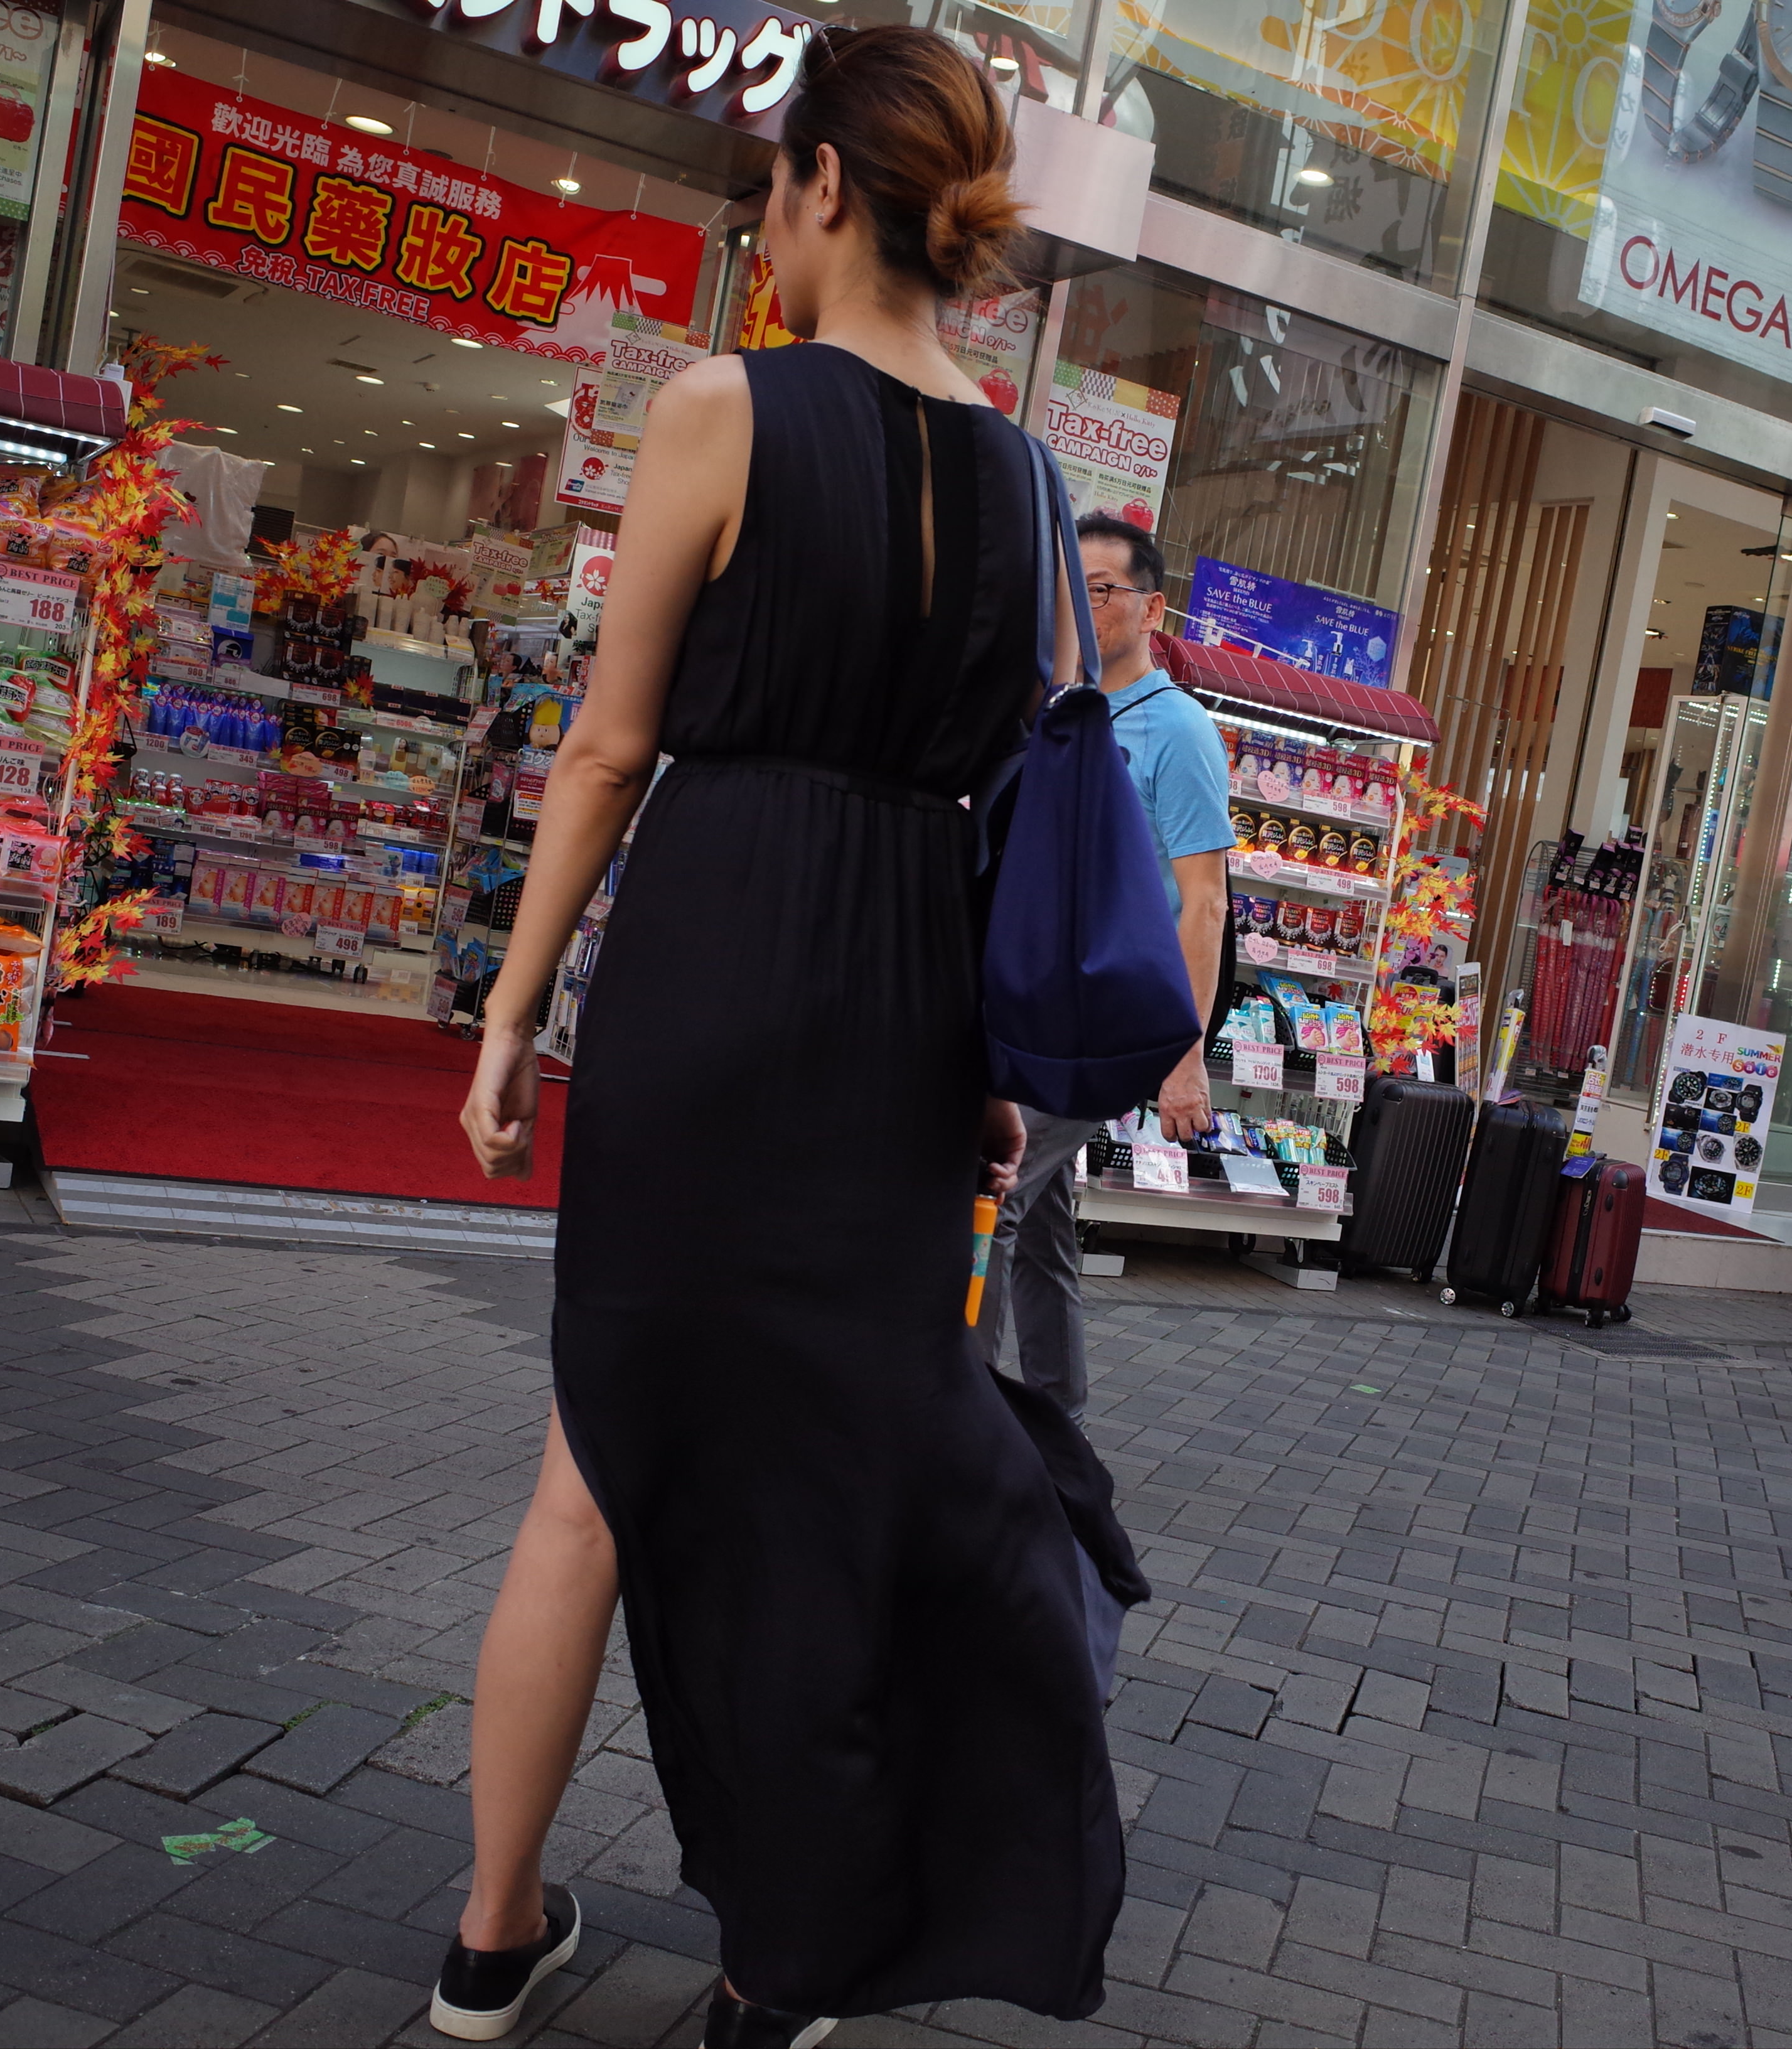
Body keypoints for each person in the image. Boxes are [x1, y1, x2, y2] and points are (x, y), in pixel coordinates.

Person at [448, 28, 1142, 2048]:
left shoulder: (717, 408)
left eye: (769, 186)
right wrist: (987, 1061)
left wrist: (512, 1006)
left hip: (713, 966)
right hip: (908, 1009)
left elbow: (607, 748)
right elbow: (1015, 792)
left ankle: (491, 1936)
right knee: (835, 1483)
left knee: (596, 1463)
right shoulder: (1028, 481)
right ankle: (776, 1968)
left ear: (826, 184)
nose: (763, 224)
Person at [970, 514, 1233, 1422]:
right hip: (1037, 1001)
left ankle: (964, 1423)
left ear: (1152, 609)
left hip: (1103, 1015)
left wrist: (1183, 1056)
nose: (1082, 606)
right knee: (1040, 1223)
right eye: (1069, 588)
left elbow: (1205, 903)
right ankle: (1058, 1423)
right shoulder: (1059, 709)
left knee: (991, 1193)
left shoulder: (1180, 731)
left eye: (1103, 590)